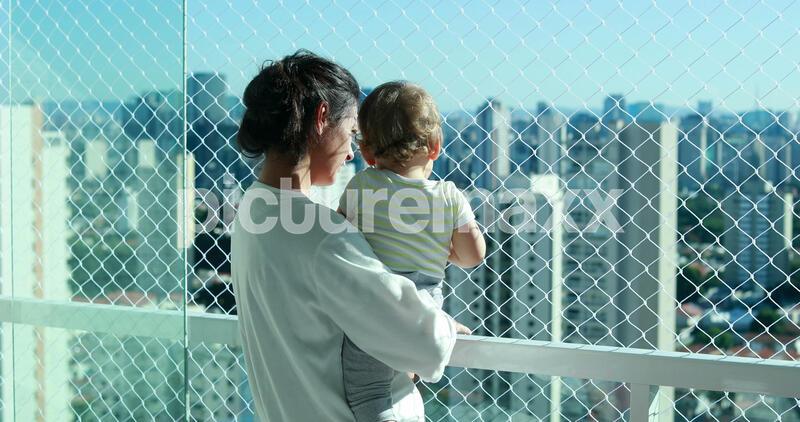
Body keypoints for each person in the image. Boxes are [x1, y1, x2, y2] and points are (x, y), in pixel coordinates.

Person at [230, 50, 468, 422]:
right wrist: (445, 325)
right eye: (352, 132)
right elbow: (424, 342)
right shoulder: (323, 238)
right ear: (322, 118)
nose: (353, 152)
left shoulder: (252, 212)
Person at [338, 81, 486, 422]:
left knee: (368, 392)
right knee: (406, 373)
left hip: (371, 306)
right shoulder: (449, 196)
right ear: (435, 147)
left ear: (367, 153)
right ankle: (438, 333)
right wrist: (445, 249)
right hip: (424, 310)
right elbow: (473, 255)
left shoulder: (361, 185)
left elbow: (340, 238)